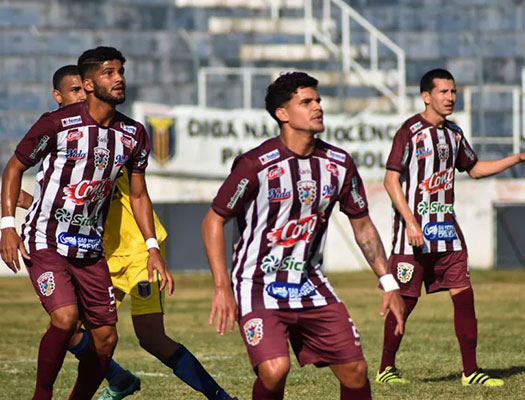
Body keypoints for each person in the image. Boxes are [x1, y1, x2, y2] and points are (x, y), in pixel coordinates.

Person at [16, 65, 237, 400]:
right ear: (58, 97)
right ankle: (119, 379)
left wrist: (150, 248)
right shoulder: (62, 138)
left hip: (135, 256)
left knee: (151, 338)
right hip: (90, 252)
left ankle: (221, 398)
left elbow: (129, 193)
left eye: (83, 89)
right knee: (68, 325)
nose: (81, 97)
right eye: (73, 91)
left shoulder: (115, 138)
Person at [202, 71, 405, 400]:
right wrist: (222, 286)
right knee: (275, 369)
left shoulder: (338, 163)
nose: (317, 107)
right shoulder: (254, 165)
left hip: (310, 282)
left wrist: (388, 281)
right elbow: (213, 220)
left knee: (356, 371)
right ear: (282, 114)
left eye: (318, 100)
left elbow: (362, 224)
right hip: (257, 283)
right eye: (306, 102)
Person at [0, 46, 173, 400]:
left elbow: (139, 195)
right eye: (109, 72)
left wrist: (152, 247)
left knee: (106, 338)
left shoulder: (134, 134)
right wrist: (7, 225)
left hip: (90, 247)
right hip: (45, 238)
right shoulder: (57, 123)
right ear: (89, 84)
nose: (119, 78)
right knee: (65, 319)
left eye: (120, 70)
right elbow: (15, 167)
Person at [376, 68, 525, 387]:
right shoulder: (410, 132)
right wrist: (411, 222)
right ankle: (386, 367)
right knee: (405, 302)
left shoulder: (454, 134)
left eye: (453, 92)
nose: (451, 97)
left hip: (447, 235)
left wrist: (519, 157)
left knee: (464, 297)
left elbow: (476, 168)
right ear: (426, 96)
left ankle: (471, 372)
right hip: (411, 239)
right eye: (443, 92)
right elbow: (390, 180)